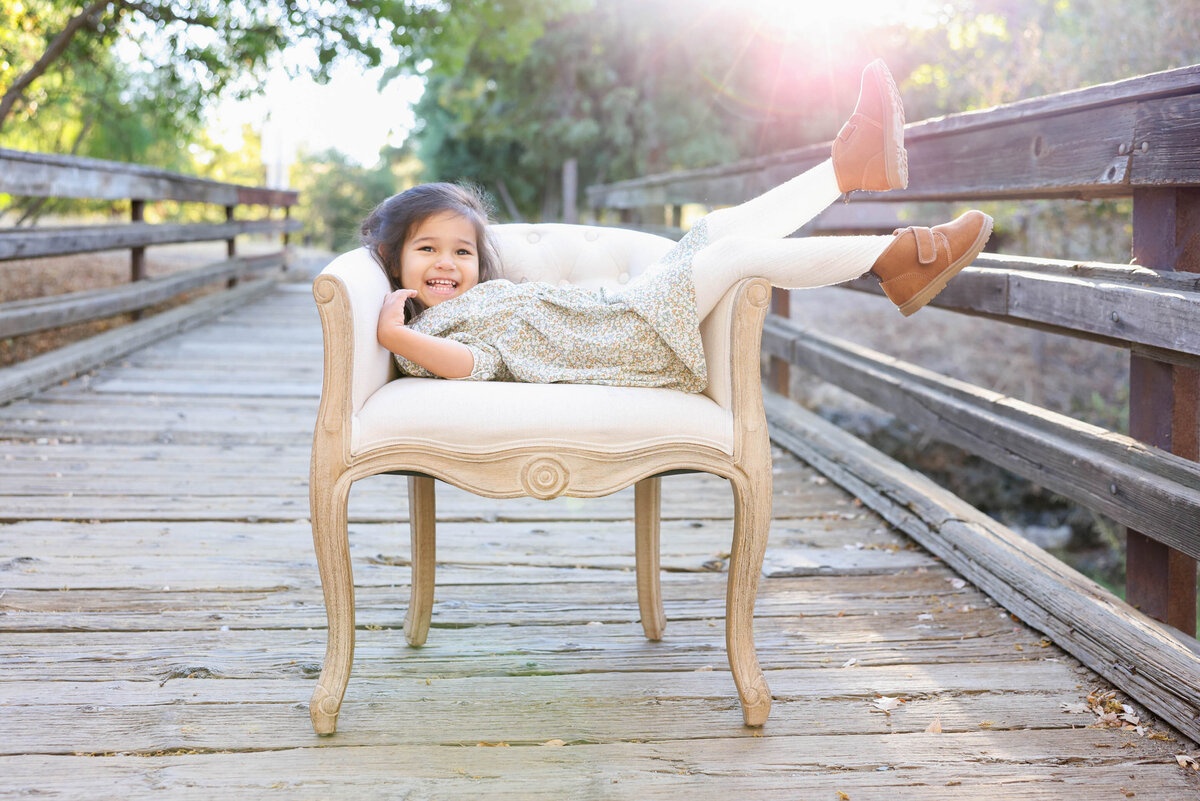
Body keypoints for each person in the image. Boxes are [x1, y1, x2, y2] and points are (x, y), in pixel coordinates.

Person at [368, 60, 992, 393]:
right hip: (624, 345)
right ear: (395, 261)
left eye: (462, 251)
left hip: (622, 311)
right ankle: (895, 256)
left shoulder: (477, 298)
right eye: (427, 249)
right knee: (733, 256)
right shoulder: (432, 332)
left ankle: (845, 169)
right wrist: (399, 339)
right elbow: (468, 368)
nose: (447, 263)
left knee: (718, 229)